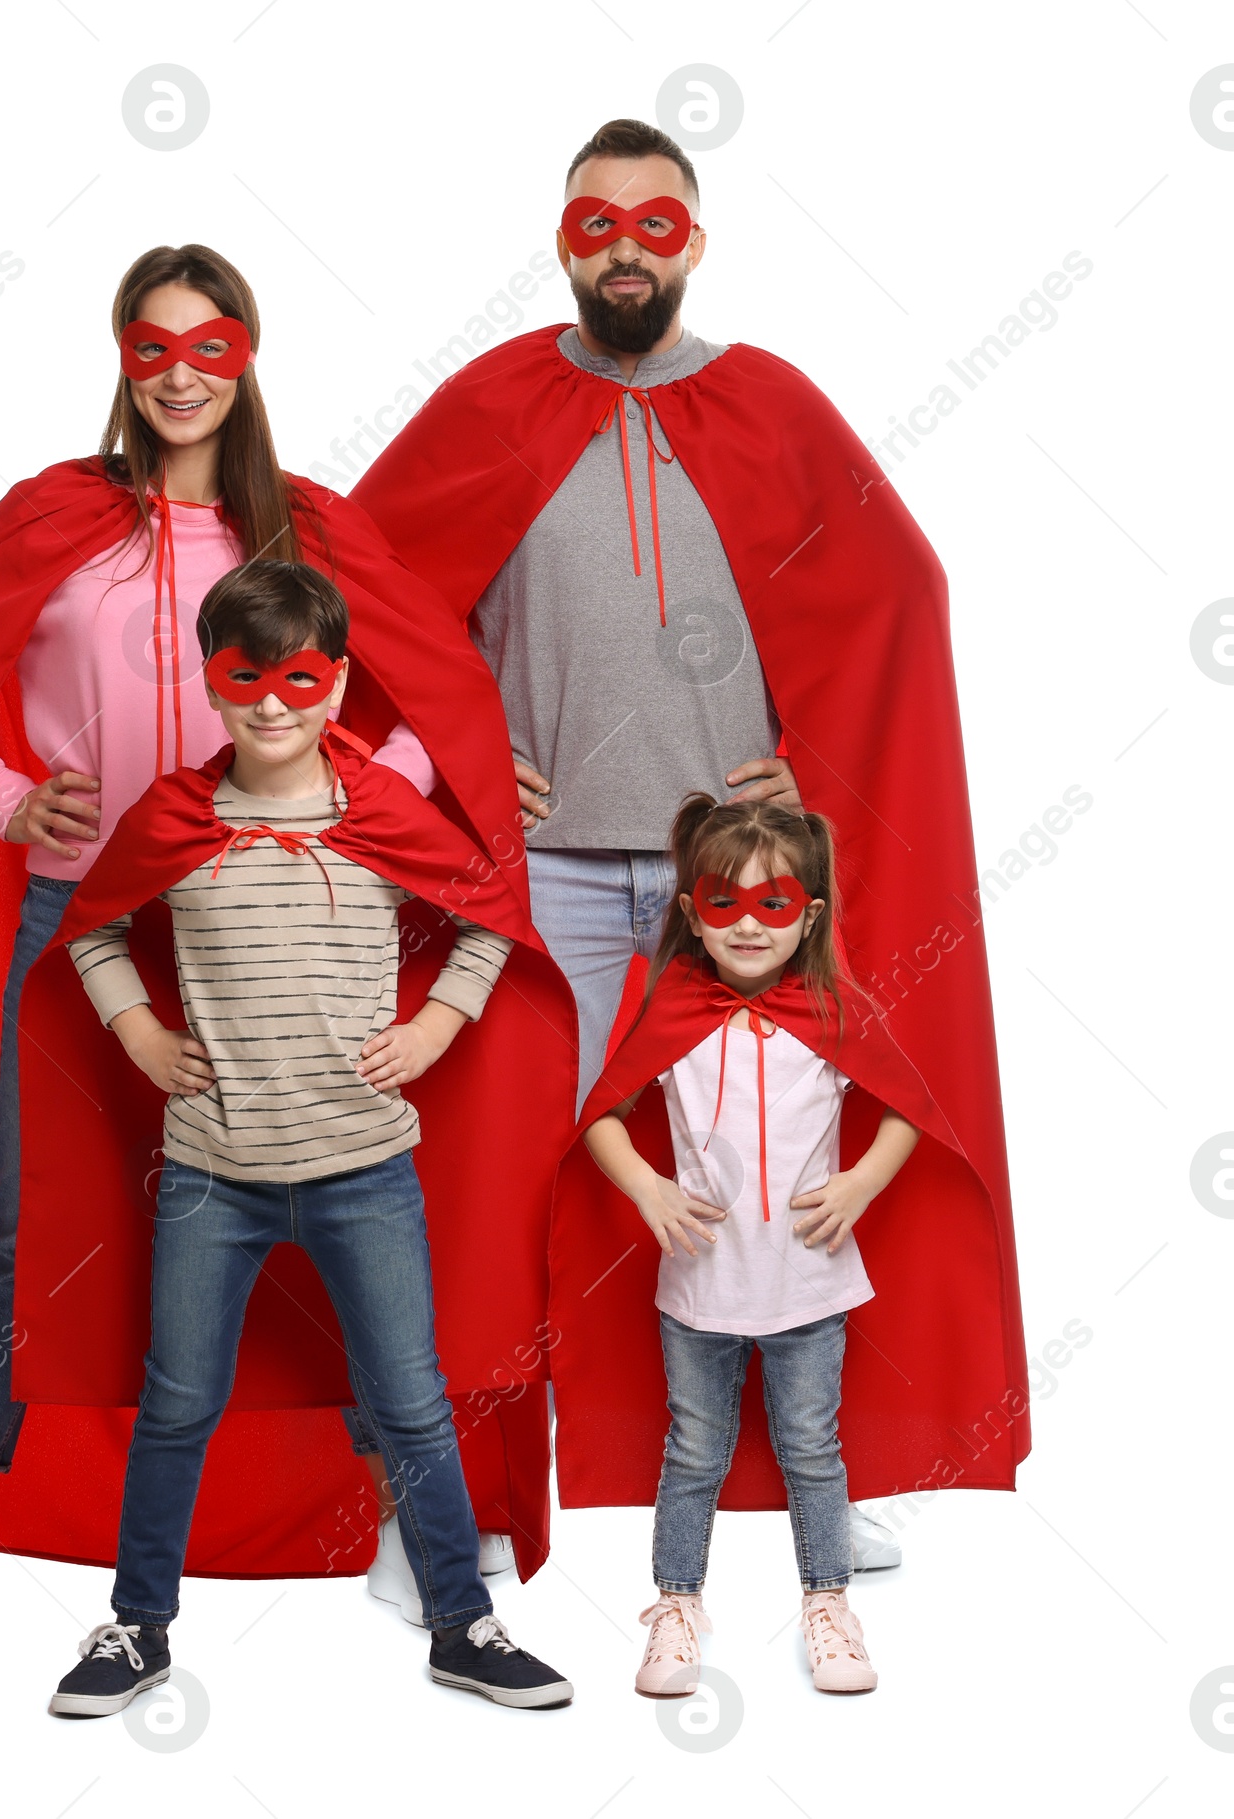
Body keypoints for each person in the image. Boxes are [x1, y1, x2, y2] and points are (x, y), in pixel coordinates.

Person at [0, 242, 575, 1630]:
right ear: (119, 354)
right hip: (89, 911)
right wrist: (7, 794)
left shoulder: (310, 531)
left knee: (348, 1216)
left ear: (249, 355)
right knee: (20, 1220)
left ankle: (410, 1517)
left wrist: (403, 781)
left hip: (290, 912)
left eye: (208, 346)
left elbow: (430, 679)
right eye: (151, 346)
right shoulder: (56, 518)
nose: (179, 375)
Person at [349, 117, 1027, 1563]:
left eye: (657, 224)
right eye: (598, 223)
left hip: (735, 889)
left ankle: (801, 1477)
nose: (626, 248)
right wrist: (456, 747)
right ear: (564, 242)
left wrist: (813, 759)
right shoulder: (494, 402)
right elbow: (360, 594)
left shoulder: (769, 404)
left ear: (696, 243)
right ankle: (449, 1509)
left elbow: (893, 592)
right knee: (501, 1172)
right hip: (549, 882)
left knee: (766, 1162)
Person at [38, 560, 573, 1714]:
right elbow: (91, 928)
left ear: (334, 688)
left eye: (299, 679)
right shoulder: (176, 815)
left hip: (364, 1169)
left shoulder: (380, 812)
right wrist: (137, 1033)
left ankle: (461, 1626)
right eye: (246, 680)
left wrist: (438, 1022)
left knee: (410, 1400)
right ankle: (137, 1628)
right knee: (179, 1401)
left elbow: (488, 912)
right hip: (210, 1177)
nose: (272, 705)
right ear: (211, 682)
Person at [580, 795, 924, 1696]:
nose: (746, 927)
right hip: (699, 1287)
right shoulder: (671, 1013)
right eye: (722, 904)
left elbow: (907, 1114)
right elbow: (602, 1119)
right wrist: (648, 1186)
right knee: (694, 1449)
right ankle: (677, 1605)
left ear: (808, 914)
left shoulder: (833, 1012)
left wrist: (858, 1185)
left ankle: (827, 1602)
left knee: (813, 1448)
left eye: (772, 905)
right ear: (691, 910)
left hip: (809, 1285)